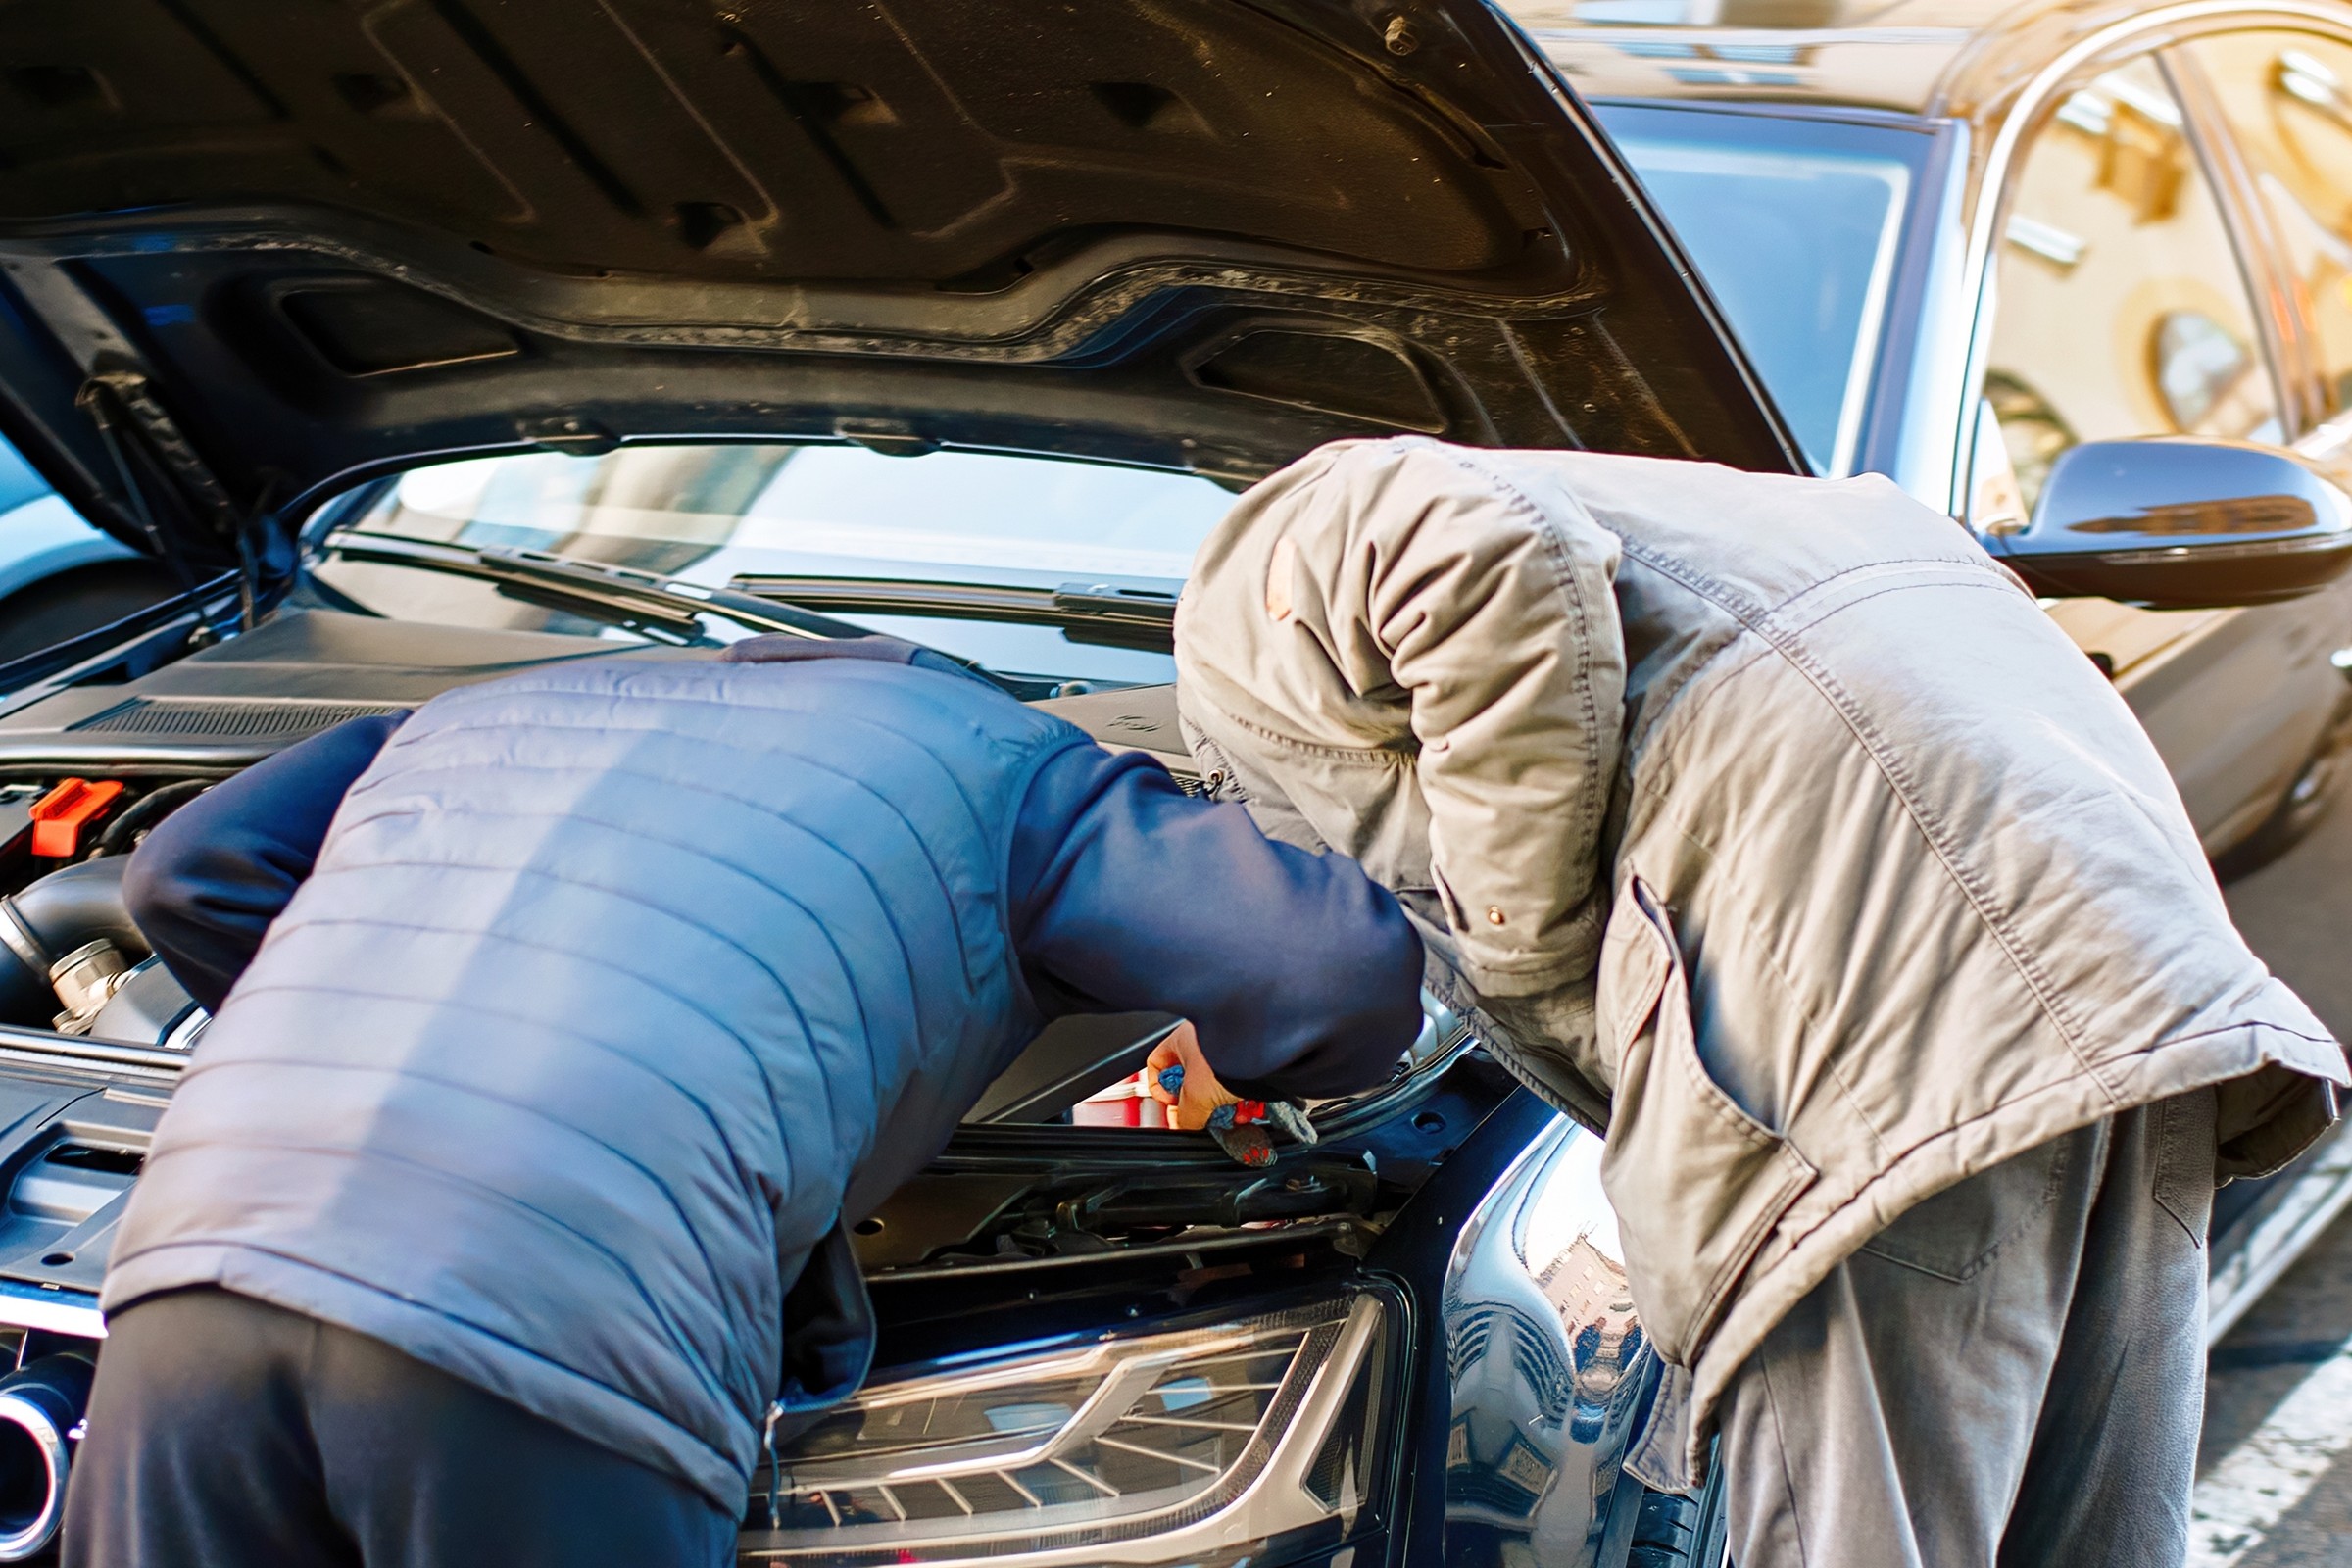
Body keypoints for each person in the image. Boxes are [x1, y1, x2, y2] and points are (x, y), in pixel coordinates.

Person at [1169, 436, 2349, 1568]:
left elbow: (1472, 547)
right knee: (2085, 1536)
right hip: (2122, 970)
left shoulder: (1257, 569)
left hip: (1880, 1005)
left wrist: (1521, 946)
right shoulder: (1729, 519)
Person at [65, 633, 1424, 1568]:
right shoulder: (1012, 763)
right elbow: (1336, 972)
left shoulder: (490, 706)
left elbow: (185, 868)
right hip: (555, 1304)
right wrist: (1218, 1076)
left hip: (195, 1256)